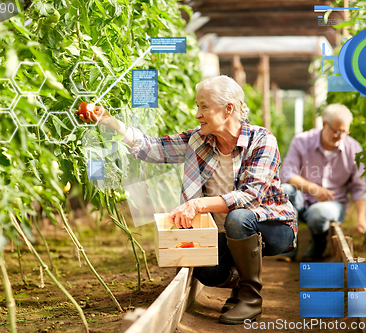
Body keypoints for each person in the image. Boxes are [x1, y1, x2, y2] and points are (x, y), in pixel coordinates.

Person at [78, 75, 297, 324]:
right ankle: (241, 276)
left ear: (229, 109)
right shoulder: (198, 140)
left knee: (238, 218)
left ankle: (250, 298)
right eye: (197, 106)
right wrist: (111, 122)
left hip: (273, 226)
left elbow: (250, 197)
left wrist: (197, 204)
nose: (197, 114)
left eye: (204, 106)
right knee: (206, 271)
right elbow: (153, 148)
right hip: (226, 232)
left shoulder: (262, 140)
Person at [279, 103, 366, 261]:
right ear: (324, 124)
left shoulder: (354, 150)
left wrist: (362, 218)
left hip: (333, 205)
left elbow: (359, 187)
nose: (340, 136)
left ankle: (319, 243)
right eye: (336, 131)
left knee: (318, 213)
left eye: (345, 131)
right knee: (285, 190)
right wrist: (313, 188)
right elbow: (287, 174)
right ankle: (288, 243)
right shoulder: (301, 141)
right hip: (303, 200)